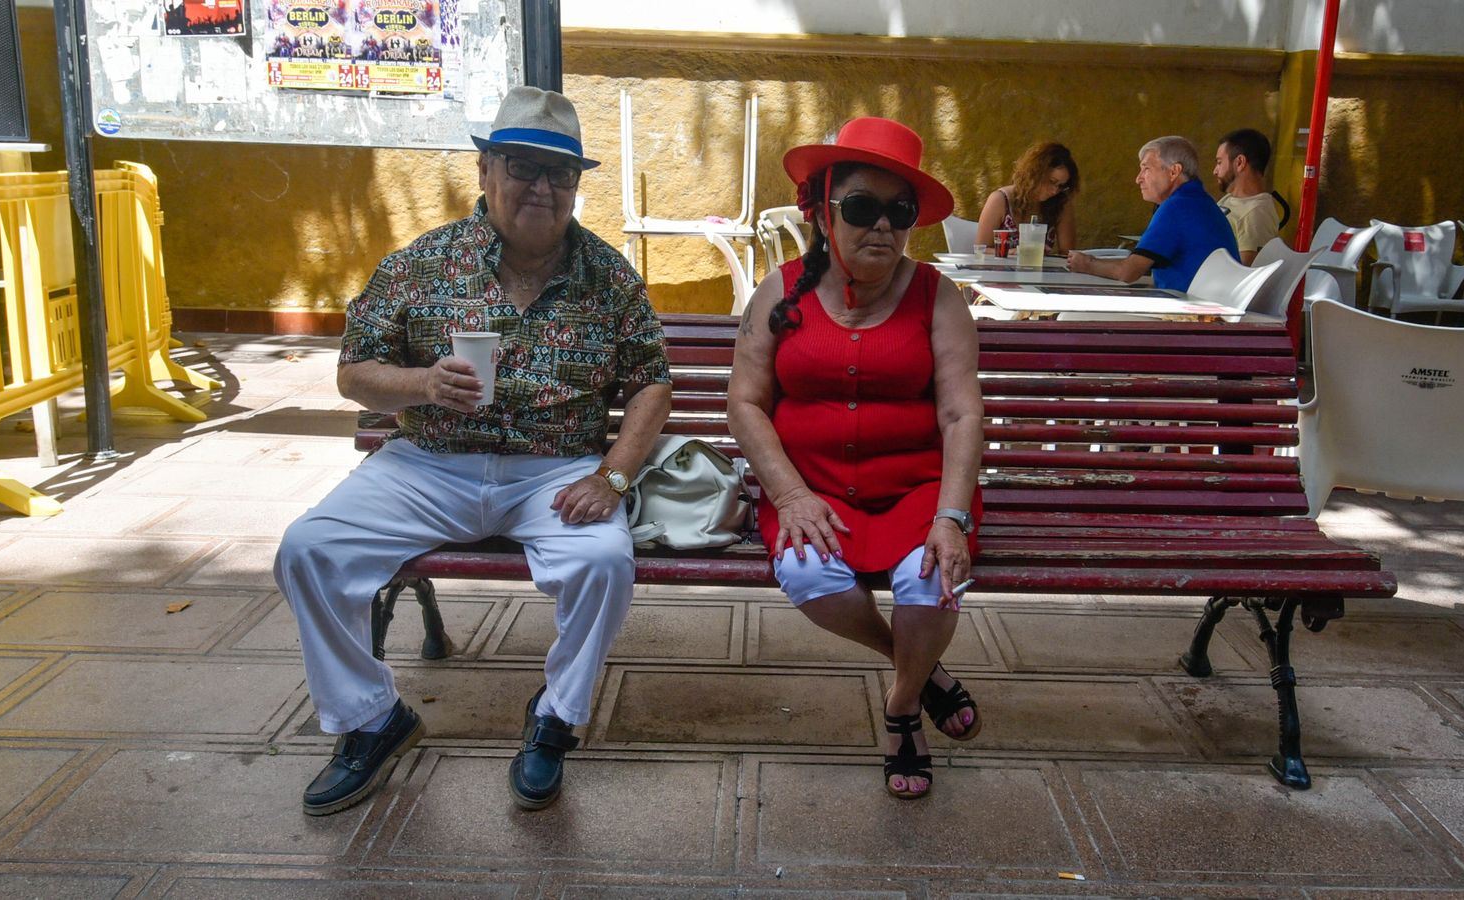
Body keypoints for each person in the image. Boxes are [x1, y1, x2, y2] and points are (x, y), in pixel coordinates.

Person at [273, 86, 672, 816]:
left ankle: (555, 717)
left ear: (576, 187)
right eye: (523, 166)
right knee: (308, 548)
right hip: (427, 464)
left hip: (554, 470)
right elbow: (354, 372)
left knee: (602, 561)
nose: (542, 188)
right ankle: (371, 718)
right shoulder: (422, 265)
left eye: (561, 175)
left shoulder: (609, 276)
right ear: (486, 171)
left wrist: (613, 477)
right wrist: (423, 382)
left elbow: (651, 383)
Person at [727, 117, 985, 800]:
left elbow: (961, 413)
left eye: (899, 212)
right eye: (862, 207)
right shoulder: (779, 292)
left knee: (929, 582)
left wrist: (952, 516)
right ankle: (924, 673)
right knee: (813, 577)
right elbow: (745, 403)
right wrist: (787, 495)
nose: (882, 226)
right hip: (810, 491)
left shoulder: (939, 297)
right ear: (821, 211)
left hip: (918, 489)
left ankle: (902, 706)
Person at [1066, 135, 1238, 291]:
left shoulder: (1177, 206)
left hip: (1197, 314)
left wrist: (1086, 263)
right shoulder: (1197, 200)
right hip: (1211, 306)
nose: (1138, 178)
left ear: (1173, 171)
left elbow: (1128, 272)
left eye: (1146, 168)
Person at [976, 140, 1080, 252]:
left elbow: (1067, 253)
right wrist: (1012, 252)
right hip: (1000, 268)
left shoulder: (1061, 203)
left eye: (1061, 186)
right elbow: (980, 249)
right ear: (1036, 173)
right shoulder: (1000, 200)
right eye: (1051, 181)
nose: (1055, 190)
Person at [1214, 128, 1281, 264]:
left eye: (1220, 162)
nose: (1215, 171)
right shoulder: (1230, 199)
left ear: (1239, 162)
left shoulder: (1256, 214)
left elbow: (1244, 274)